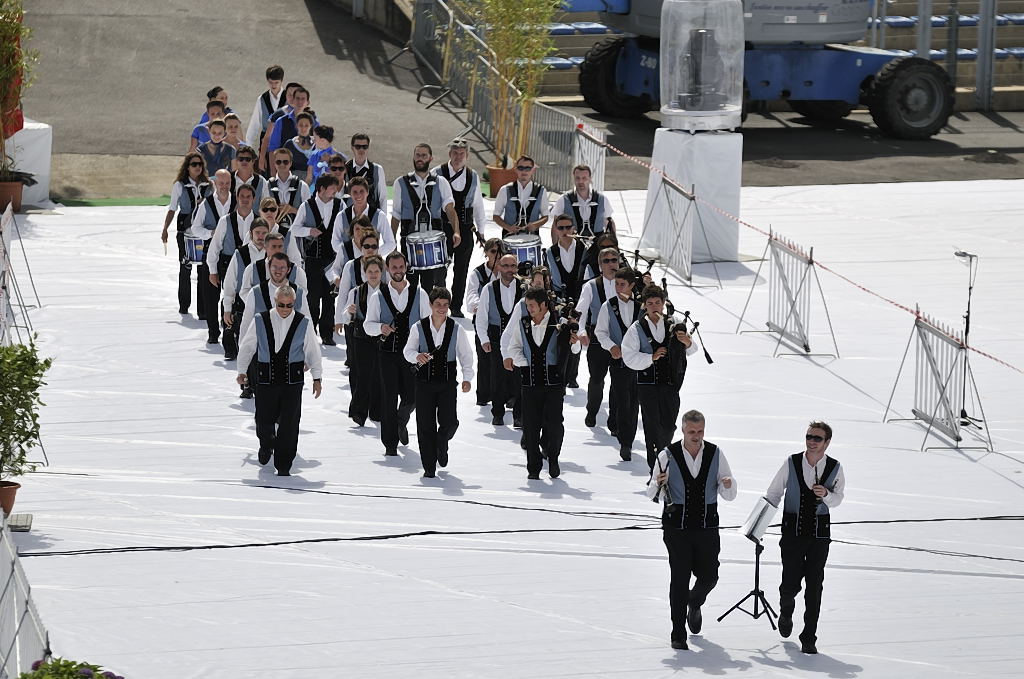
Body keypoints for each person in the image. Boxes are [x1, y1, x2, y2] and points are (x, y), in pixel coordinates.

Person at [647, 410, 736, 650]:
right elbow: (650, 492)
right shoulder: (667, 455)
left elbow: (729, 493)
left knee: (710, 575)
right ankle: (678, 633)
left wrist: (728, 484)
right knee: (679, 578)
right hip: (677, 528)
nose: (696, 436)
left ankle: (693, 602)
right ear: (683, 431)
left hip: (707, 526)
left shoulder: (716, 453)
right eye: (691, 432)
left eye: (700, 432)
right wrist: (658, 482)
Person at [764, 421, 845, 655]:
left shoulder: (835, 467)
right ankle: (786, 610)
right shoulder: (791, 462)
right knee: (789, 584)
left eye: (817, 438)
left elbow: (839, 498)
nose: (811, 441)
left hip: (819, 534)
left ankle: (809, 636)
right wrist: (760, 521)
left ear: (827, 442)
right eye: (809, 436)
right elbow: (774, 493)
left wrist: (827, 495)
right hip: (792, 532)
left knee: (815, 586)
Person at [236, 285, 322, 477]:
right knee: (263, 419)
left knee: (290, 423)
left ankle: (284, 464)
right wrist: (242, 371)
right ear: (275, 302)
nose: (285, 309)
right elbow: (248, 346)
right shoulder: (260, 320)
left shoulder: (303, 322)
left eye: (289, 305)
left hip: (293, 381)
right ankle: (266, 444)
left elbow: (313, 351)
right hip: (267, 379)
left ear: (293, 304)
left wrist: (317, 377)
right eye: (281, 305)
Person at [502, 288, 581, 479]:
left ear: (544, 304)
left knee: (554, 424)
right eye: (527, 305)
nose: (528, 309)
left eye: (531, 305)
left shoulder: (560, 325)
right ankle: (533, 467)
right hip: (530, 383)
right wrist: (526, 364)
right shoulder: (523, 325)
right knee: (530, 426)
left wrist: (574, 341)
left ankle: (553, 457)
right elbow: (514, 348)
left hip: (553, 384)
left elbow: (575, 349)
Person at [363, 252, 431, 456]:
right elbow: (368, 325)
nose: (398, 271)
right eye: (394, 268)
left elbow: (427, 325)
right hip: (388, 354)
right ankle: (390, 444)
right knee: (389, 398)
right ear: (388, 269)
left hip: (411, 355)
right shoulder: (378, 296)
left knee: (412, 397)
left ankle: (401, 421)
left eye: (401, 267)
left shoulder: (420, 294)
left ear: (406, 266)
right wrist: (380, 327)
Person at [621, 285, 697, 468]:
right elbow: (628, 357)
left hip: (670, 384)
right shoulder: (636, 328)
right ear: (644, 306)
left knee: (669, 426)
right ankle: (655, 468)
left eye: (658, 302)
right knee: (652, 427)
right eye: (650, 303)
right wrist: (651, 357)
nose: (654, 306)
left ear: (663, 304)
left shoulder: (675, 322)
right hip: (647, 385)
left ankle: (664, 458)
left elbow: (692, 349)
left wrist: (687, 342)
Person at [403, 287, 474, 478]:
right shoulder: (418, 327)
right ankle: (429, 466)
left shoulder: (456, 329)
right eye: (438, 305)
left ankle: (442, 442)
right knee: (425, 426)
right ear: (431, 305)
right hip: (424, 384)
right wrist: (417, 356)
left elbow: (466, 355)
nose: (442, 308)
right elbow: (407, 351)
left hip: (447, 384)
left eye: (445, 305)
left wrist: (467, 378)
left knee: (450, 422)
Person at [390, 143, 461, 292]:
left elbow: (450, 209)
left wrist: (456, 231)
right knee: (410, 286)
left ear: (430, 158)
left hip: (433, 245)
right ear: (413, 157)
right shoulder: (400, 183)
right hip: (409, 243)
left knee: (432, 287)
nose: (420, 158)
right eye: (417, 155)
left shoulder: (441, 182)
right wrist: (392, 241)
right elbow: (396, 214)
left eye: (424, 155)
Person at [433, 138, 486, 317]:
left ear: (467, 156)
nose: (458, 157)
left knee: (461, 269)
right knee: (440, 269)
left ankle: (456, 306)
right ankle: (438, 304)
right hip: (442, 229)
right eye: (455, 153)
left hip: (465, 228)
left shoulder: (473, 176)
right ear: (450, 154)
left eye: (461, 154)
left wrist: (481, 232)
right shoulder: (437, 173)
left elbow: (478, 205)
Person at [594, 267, 643, 461]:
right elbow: (600, 332)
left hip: (638, 364)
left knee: (634, 402)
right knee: (623, 399)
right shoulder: (608, 306)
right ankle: (626, 442)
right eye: (616, 283)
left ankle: (627, 436)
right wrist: (611, 347)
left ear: (631, 285)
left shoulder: (641, 307)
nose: (618, 287)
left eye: (622, 284)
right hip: (618, 362)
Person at [292, 174, 346, 345]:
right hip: (313, 260)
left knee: (330, 297)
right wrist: (309, 231)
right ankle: (311, 331)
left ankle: (327, 333)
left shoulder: (340, 204)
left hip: (332, 260)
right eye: (332, 189)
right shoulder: (306, 205)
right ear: (321, 189)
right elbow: (295, 229)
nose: (334, 192)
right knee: (313, 298)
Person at [335, 254, 385, 426]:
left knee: (379, 375)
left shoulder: (387, 291)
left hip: (381, 340)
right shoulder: (355, 292)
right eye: (370, 271)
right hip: (361, 338)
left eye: (376, 271)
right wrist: (349, 311)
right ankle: (358, 411)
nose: (373, 275)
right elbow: (345, 316)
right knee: (362, 375)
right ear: (364, 273)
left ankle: (377, 411)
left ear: (381, 272)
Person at [475, 253, 523, 428]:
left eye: (513, 266)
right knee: (497, 377)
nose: (510, 269)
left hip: (519, 340)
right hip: (496, 338)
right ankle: (498, 413)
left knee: (519, 377)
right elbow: (481, 316)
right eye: (506, 266)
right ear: (499, 268)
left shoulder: (524, 287)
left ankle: (519, 415)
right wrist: (484, 338)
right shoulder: (489, 288)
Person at [222, 219, 272, 384]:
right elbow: (230, 282)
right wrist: (227, 308)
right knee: (246, 345)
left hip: (270, 309)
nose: (260, 236)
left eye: (264, 233)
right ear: (251, 234)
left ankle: (263, 382)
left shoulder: (274, 254)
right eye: (257, 232)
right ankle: (247, 383)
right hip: (244, 309)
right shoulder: (240, 254)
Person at [190, 169, 236, 344]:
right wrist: (211, 233)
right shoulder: (206, 204)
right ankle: (213, 332)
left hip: (232, 255)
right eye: (221, 183)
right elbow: (196, 228)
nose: (224, 187)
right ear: (215, 183)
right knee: (211, 295)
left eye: (227, 183)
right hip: (210, 253)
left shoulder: (237, 202)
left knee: (231, 293)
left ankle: (230, 330)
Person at [577, 247, 621, 430]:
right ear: (600, 265)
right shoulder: (591, 286)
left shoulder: (627, 283)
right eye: (606, 261)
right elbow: (581, 310)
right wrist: (581, 331)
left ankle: (614, 419)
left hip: (620, 339)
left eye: (614, 260)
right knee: (597, 378)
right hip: (597, 337)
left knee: (618, 381)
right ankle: (592, 411)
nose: (611, 264)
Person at [161, 152, 210, 316]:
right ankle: (184, 305)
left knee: (204, 269)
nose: (197, 167)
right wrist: (165, 229)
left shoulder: (208, 185)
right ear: (187, 167)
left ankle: (203, 309)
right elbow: (172, 208)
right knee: (185, 266)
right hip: (185, 231)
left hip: (203, 231)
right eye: (194, 164)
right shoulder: (179, 185)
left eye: (199, 164)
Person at [545, 213, 588, 387]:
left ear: (573, 228)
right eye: (561, 227)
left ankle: (573, 375)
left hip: (580, 296)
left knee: (577, 330)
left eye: (567, 227)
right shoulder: (550, 251)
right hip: (561, 298)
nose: (564, 231)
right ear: (555, 229)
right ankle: (561, 372)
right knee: (563, 333)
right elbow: (551, 276)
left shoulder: (583, 248)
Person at [465, 238, 502, 406]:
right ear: (486, 253)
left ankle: (504, 395)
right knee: (485, 358)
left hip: (503, 321)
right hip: (483, 321)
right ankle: (484, 394)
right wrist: (482, 306)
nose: (497, 255)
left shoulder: (507, 272)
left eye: (500, 252)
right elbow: (472, 295)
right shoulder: (477, 273)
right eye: (493, 251)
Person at [333, 177, 395, 259]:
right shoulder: (341, 216)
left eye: (361, 191)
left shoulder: (379, 215)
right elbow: (335, 242)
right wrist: (348, 252)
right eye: (355, 192)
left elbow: (391, 243)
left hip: (372, 266)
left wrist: (373, 252)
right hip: (347, 264)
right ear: (350, 194)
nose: (358, 195)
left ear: (367, 192)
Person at [551, 164, 615, 239]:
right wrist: (555, 249)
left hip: (597, 246)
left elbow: (609, 223)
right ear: (573, 179)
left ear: (590, 179)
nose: (580, 181)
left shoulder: (602, 199)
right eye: (577, 178)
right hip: (572, 246)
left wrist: (614, 244)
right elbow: (555, 226)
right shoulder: (563, 200)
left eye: (584, 178)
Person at [492, 155, 549, 237]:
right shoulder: (505, 190)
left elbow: (545, 216)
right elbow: (496, 216)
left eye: (528, 168)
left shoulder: (541, 191)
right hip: (509, 238)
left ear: (533, 170)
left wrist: (535, 225)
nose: (524, 171)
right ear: (516, 170)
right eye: (521, 168)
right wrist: (508, 228)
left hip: (532, 239)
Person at [345, 133, 387, 216]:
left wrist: (383, 220)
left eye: (365, 147)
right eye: (358, 147)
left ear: (368, 148)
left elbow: (383, 198)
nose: (361, 149)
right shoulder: (344, 168)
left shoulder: (377, 169)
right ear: (352, 148)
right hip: (349, 217)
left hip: (371, 217)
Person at [245, 64, 285, 150]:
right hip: (266, 143)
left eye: (276, 82)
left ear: (281, 81)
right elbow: (254, 123)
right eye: (270, 82)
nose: (273, 85)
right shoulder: (262, 99)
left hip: (284, 141)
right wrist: (249, 146)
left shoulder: (289, 99)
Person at [266, 149, 311, 226]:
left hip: (296, 231)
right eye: (278, 162)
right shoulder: (266, 185)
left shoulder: (303, 186)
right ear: (274, 164)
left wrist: (293, 210)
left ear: (290, 163)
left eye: (285, 162)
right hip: (273, 232)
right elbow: (262, 211)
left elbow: (309, 214)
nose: (282, 164)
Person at [282, 111, 315, 178]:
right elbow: (283, 165)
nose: (303, 128)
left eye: (306, 125)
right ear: (296, 126)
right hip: (295, 181)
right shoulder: (290, 144)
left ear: (311, 126)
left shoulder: (318, 143)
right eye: (301, 125)